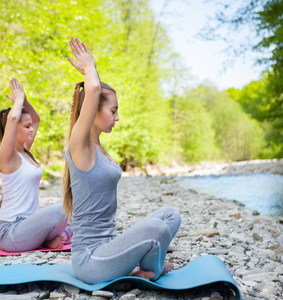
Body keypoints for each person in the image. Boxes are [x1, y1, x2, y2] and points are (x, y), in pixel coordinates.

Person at [63, 37, 181, 284]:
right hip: (90, 260)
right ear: (94, 110)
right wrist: (90, 67)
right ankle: (148, 271)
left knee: (170, 216)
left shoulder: (101, 150)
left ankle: (139, 267)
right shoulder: (79, 145)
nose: (117, 117)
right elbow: (93, 89)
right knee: (157, 230)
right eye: (113, 110)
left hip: (110, 249)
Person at [0, 77, 72, 252]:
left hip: (28, 226)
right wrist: (19, 100)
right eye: (27, 126)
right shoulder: (8, 156)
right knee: (60, 211)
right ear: (13, 128)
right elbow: (14, 118)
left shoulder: (24, 151)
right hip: (10, 232)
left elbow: (36, 118)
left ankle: (48, 240)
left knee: (78, 212)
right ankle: (50, 239)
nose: (32, 129)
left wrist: (26, 102)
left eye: (31, 127)